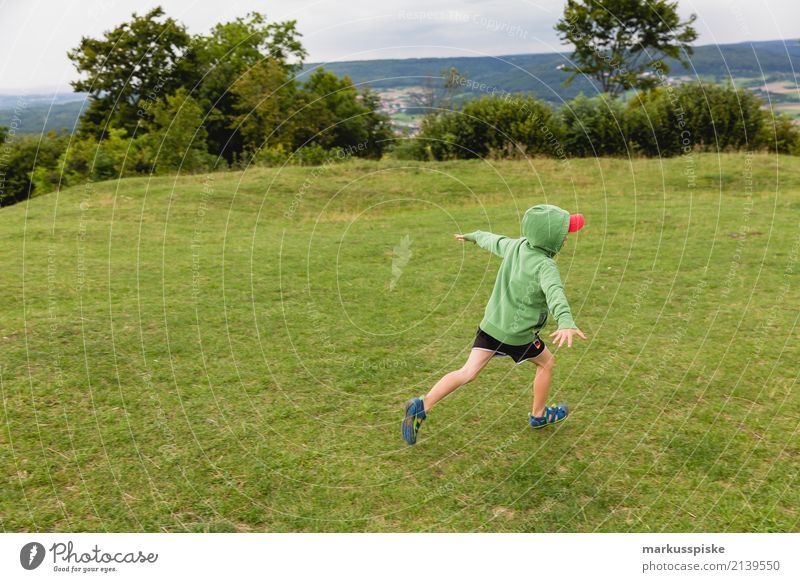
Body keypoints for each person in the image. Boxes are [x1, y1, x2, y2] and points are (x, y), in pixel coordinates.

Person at [402, 204, 587, 445]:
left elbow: (492, 240)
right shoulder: (546, 265)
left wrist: (472, 236)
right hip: (518, 335)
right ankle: (538, 416)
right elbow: (555, 293)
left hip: (491, 327)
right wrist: (565, 321)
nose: (565, 239)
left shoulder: (517, 245)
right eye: (563, 235)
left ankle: (422, 406)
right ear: (550, 239)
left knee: (467, 373)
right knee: (547, 363)